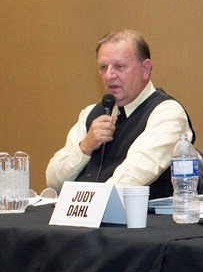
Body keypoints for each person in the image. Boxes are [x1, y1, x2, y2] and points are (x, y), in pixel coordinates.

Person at [46, 29, 195, 198]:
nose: (109, 75)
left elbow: (133, 175)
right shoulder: (90, 114)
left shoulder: (167, 113)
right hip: (84, 217)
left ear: (145, 69)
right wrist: (85, 147)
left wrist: (90, 203)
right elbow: (53, 181)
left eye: (119, 66)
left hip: (140, 221)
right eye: (103, 67)